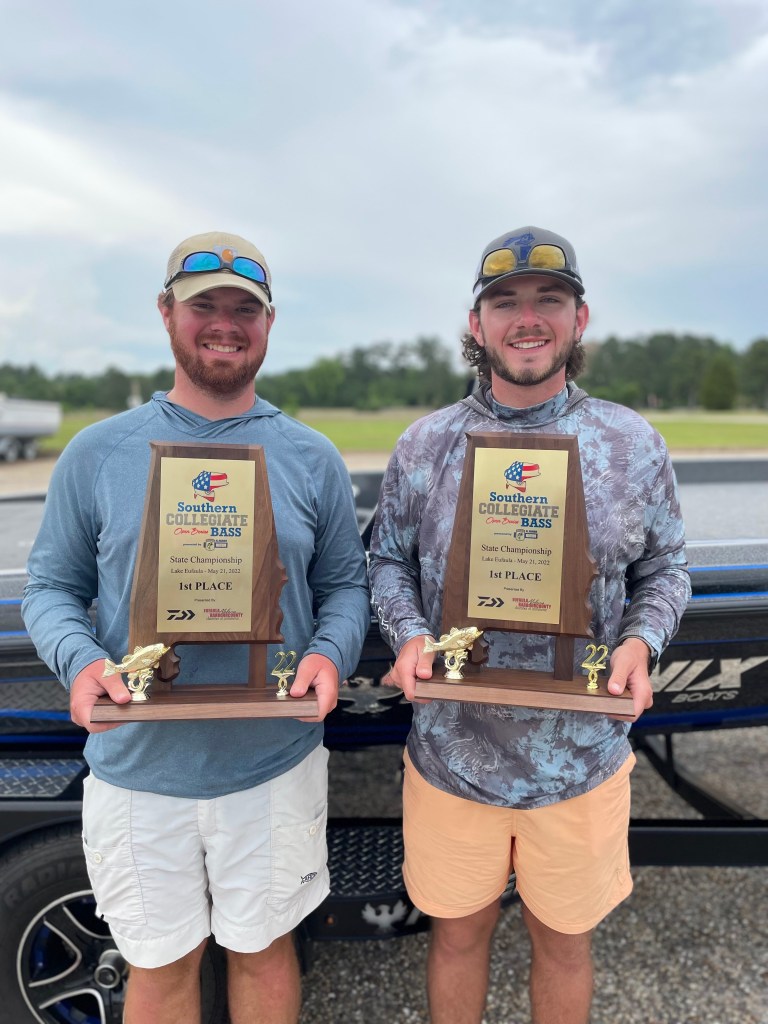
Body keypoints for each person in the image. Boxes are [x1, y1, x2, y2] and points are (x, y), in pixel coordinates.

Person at [22, 231, 370, 1024]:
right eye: (203, 304)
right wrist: (80, 661)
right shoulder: (98, 452)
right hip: (138, 765)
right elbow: (52, 587)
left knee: (264, 952)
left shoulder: (310, 456)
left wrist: (329, 652)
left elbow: (345, 585)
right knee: (160, 967)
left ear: (269, 322)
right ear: (165, 312)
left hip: (272, 761)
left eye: (243, 308)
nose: (224, 324)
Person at [368, 225, 691, 1024]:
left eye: (549, 299)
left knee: (565, 946)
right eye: (505, 302)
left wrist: (641, 642)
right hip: (453, 754)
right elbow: (387, 561)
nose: (527, 318)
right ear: (476, 324)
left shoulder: (630, 442)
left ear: (580, 319)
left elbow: (665, 569)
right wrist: (409, 635)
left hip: (579, 758)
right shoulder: (426, 445)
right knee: (457, 937)